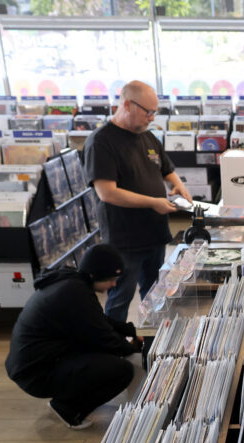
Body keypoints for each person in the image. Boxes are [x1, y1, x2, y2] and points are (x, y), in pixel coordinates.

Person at [84, 79, 192, 323]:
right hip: (125, 239)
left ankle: (149, 341)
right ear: (127, 104)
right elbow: (107, 193)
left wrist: (178, 184)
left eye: (155, 112)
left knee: (153, 292)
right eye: (148, 111)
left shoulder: (147, 137)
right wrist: (153, 202)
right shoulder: (101, 142)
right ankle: (114, 348)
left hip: (154, 234)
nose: (152, 117)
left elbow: (165, 168)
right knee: (121, 296)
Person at [5, 244, 143, 430]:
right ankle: (68, 408)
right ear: (95, 275)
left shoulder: (73, 284)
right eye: (111, 279)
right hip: (35, 374)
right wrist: (135, 350)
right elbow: (106, 339)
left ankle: (71, 398)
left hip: (34, 363)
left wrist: (131, 330)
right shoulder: (75, 294)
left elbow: (98, 320)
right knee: (122, 371)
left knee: (107, 358)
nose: (114, 284)